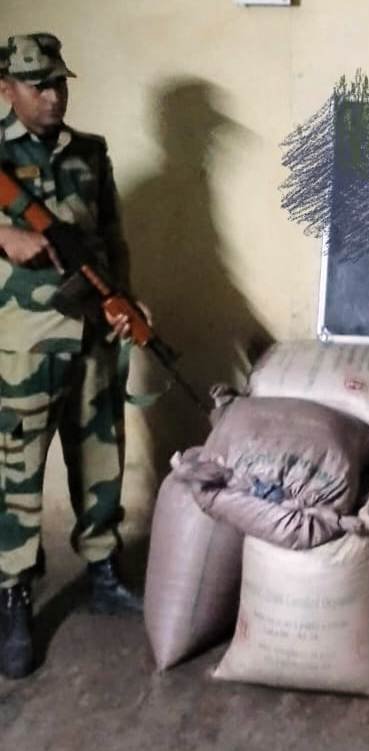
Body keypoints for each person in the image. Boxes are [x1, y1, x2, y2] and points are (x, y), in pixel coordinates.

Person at [0, 33, 145, 680]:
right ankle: (12, 593)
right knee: (18, 469)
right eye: (38, 85)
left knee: (99, 455)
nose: (52, 95)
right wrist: (4, 234)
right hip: (24, 343)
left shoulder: (91, 151)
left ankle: (103, 567)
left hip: (91, 333)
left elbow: (112, 237)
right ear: (7, 89)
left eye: (59, 82)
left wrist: (124, 302)